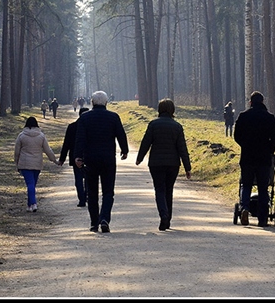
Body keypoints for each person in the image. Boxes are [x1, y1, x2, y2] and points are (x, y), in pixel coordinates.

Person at [74, 90, 129, 233]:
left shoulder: (84, 118)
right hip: (108, 159)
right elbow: (121, 135)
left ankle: (94, 223)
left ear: (92, 102)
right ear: (106, 103)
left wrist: (78, 157)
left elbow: (80, 139)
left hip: (90, 159)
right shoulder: (113, 117)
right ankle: (104, 218)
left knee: (92, 192)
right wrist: (124, 150)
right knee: (108, 191)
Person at [135, 98, 192, 231]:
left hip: (156, 163)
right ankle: (168, 219)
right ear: (172, 110)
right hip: (173, 164)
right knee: (169, 190)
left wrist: (140, 158)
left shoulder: (153, 125)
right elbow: (182, 149)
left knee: (159, 189)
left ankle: (163, 215)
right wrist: (187, 167)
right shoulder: (177, 126)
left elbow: (146, 142)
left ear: (159, 110)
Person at [233, 91, 275, 227]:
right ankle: (263, 218)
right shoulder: (269, 117)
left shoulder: (243, 116)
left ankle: (245, 208)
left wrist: (245, 145)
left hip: (247, 156)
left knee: (246, 184)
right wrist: (270, 150)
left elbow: (237, 135)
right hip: (264, 157)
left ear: (251, 102)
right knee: (263, 187)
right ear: (263, 102)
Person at [14, 116, 58, 212]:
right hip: (37, 163)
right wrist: (54, 160)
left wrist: (16, 163)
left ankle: (32, 204)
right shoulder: (41, 136)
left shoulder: (21, 136)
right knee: (32, 184)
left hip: (25, 164)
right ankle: (31, 204)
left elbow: (17, 152)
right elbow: (48, 150)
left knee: (30, 184)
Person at [57, 107, 89, 207]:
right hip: (88, 156)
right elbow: (66, 143)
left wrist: (62, 159)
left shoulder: (72, 127)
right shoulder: (91, 126)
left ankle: (82, 199)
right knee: (88, 178)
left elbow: (66, 144)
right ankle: (86, 195)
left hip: (75, 157)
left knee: (78, 179)